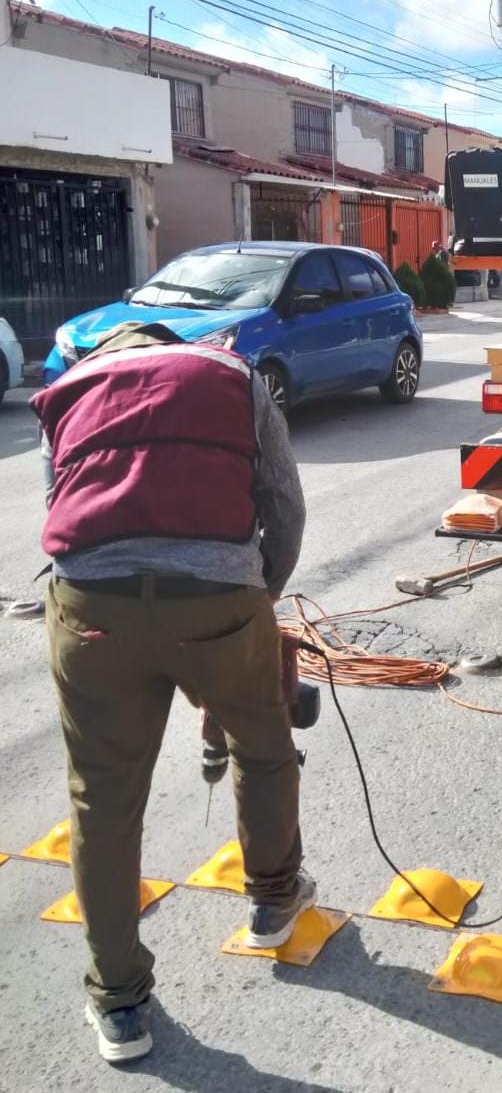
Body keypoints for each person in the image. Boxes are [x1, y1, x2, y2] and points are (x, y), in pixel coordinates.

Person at [32, 322, 312, 1064]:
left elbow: (57, 507)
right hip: (217, 601)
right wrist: (258, 598)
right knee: (264, 745)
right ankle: (273, 902)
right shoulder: (233, 377)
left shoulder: (65, 392)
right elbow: (283, 505)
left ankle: (120, 1004)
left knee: (102, 798)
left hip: (93, 612)